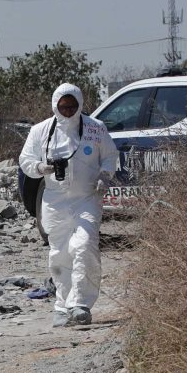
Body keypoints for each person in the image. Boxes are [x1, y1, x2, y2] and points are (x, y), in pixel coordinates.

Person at [19, 83, 119, 327]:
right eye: (63, 107)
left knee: (84, 246)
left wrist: (105, 175)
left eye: (72, 106)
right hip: (55, 202)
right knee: (60, 253)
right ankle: (62, 306)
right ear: (55, 105)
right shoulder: (40, 131)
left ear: (80, 104)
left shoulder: (95, 128)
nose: (68, 111)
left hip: (87, 198)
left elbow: (110, 155)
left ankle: (81, 304)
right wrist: (40, 168)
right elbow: (25, 160)